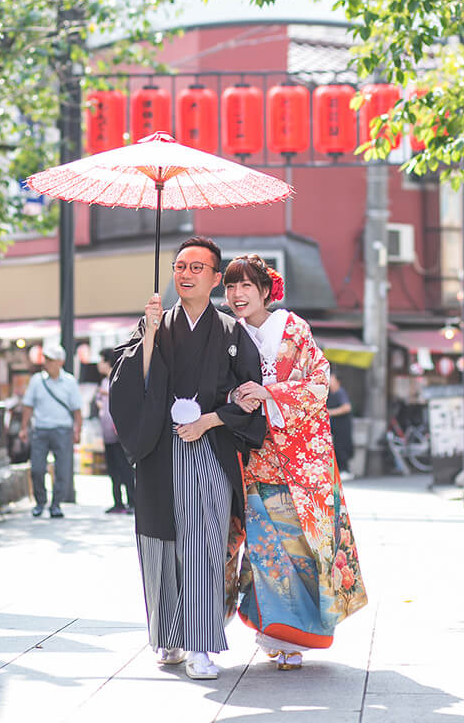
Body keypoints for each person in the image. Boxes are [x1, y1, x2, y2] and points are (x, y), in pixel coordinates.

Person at [109, 236, 265, 682]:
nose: (185, 273)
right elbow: (127, 385)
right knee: (160, 544)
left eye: (197, 267)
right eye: (180, 266)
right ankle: (168, 638)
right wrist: (151, 333)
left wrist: (213, 419)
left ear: (217, 278)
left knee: (203, 546)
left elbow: (250, 393)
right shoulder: (155, 324)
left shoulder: (232, 331)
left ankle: (200, 645)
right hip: (161, 448)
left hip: (210, 447)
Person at [223, 254, 367, 671]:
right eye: (231, 287)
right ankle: (276, 632)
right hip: (253, 458)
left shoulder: (293, 328)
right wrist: (236, 398)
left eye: (246, 286)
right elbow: (219, 386)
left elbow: (318, 383)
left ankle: (299, 634)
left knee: (302, 547)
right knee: (267, 548)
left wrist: (271, 394)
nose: (237, 294)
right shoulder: (229, 333)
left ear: (266, 290)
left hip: (298, 458)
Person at [19, 344, 82, 519]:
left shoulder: (69, 381)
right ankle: (40, 502)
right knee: (37, 468)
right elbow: (27, 405)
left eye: (50, 359)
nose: (46, 363)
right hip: (40, 430)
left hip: (63, 429)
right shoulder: (36, 381)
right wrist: (24, 428)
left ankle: (56, 504)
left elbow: (77, 409)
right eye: (45, 359)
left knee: (62, 470)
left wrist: (78, 430)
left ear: (60, 361)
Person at [97, 348, 135, 514]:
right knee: (113, 469)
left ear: (107, 361)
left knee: (124, 467)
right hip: (107, 433)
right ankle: (118, 502)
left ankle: (132, 502)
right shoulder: (104, 381)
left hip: (119, 433)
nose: (98, 364)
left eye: (100, 361)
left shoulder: (119, 378)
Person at [327, 366, 354, 480]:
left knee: (342, 447)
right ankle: (340, 471)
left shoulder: (340, 392)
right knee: (336, 447)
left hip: (343, 425)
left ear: (337, 381)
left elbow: (347, 407)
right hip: (334, 426)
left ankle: (346, 470)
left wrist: (330, 412)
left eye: (331, 378)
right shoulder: (329, 394)